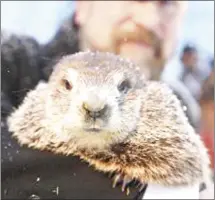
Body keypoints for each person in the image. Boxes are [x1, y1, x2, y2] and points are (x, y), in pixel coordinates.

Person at [1, 1, 206, 199]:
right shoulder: (11, 60)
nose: (150, 20)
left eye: (167, 3)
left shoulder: (182, 105)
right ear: (83, 5)